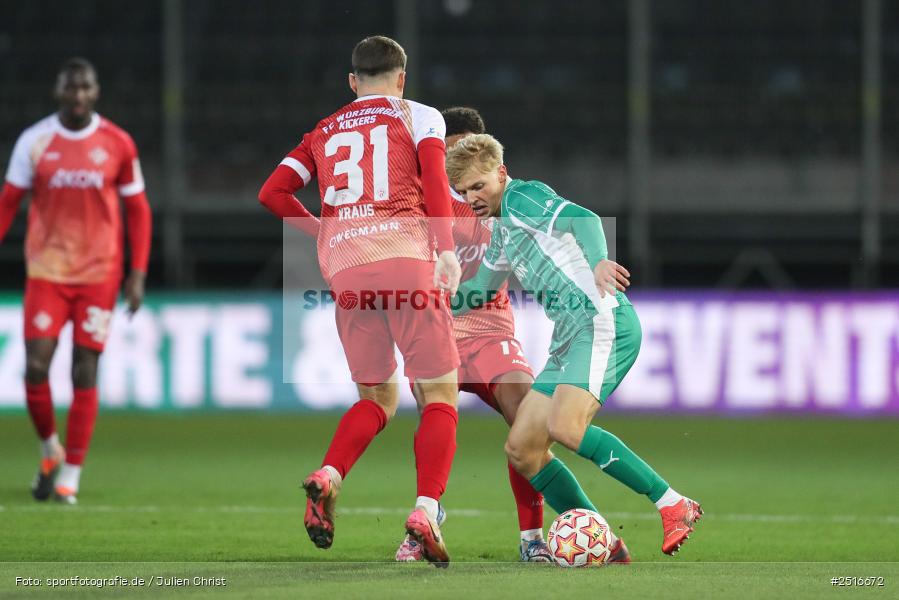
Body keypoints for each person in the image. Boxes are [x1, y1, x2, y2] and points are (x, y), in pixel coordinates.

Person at [447, 133, 702, 556]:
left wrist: (600, 259)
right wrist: (427, 303)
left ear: (501, 174)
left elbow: (582, 219)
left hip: (600, 320)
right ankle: (605, 542)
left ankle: (673, 503)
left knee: (565, 427)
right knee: (523, 448)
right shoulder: (501, 230)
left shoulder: (524, 199)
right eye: (463, 191)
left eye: (479, 186)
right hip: (569, 337)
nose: (472, 197)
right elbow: (479, 288)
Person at [258, 36, 461, 567]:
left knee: (377, 398)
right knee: (438, 392)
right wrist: (445, 249)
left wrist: (322, 231)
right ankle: (425, 509)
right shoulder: (420, 116)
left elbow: (272, 193)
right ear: (402, 77)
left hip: (347, 270)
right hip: (405, 258)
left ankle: (329, 474)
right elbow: (435, 181)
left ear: (352, 82)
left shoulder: (322, 130)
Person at [0, 57, 152, 505]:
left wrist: (137, 273)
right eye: (71, 88)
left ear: (96, 91)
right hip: (47, 272)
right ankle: (50, 448)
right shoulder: (35, 141)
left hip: (99, 275)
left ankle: (71, 472)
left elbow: (138, 210)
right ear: (59, 92)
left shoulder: (118, 143)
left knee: (85, 368)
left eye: (86, 88)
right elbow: (8, 203)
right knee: (34, 367)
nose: (79, 95)